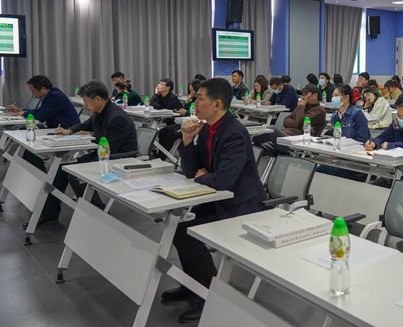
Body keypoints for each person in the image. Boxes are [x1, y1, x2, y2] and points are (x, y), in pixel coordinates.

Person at [162, 78, 267, 322]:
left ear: (217, 104)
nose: (194, 103)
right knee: (179, 229)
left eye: (200, 99)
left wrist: (204, 176)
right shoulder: (209, 129)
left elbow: (223, 180)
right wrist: (188, 140)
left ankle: (209, 295)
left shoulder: (234, 133)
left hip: (241, 206)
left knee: (188, 234)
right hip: (219, 200)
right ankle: (193, 286)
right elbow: (192, 171)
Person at [40, 81, 137, 224]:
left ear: (98, 99)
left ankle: (99, 214)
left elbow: (110, 147)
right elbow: (86, 125)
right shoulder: (100, 112)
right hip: (104, 154)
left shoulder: (117, 117)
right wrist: (69, 131)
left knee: (75, 174)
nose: (84, 105)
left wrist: (88, 140)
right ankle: (50, 213)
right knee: (61, 170)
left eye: (86, 101)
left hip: (118, 158)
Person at [7, 75, 80, 129]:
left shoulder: (54, 96)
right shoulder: (52, 94)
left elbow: (40, 116)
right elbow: (40, 111)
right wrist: (20, 110)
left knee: (23, 130)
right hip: (57, 128)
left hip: (67, 130)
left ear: (43, 89)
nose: (32, 94)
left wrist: (24, 113)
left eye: (33, 91)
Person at [158, 79, 204, 157]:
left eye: (193, 90)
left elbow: (197, 113)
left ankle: (163, 156)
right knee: (164, 131)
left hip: (194, 124)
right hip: (186, 121)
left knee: (171, 133)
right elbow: (186, 109)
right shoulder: (193, 99)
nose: (191, 93)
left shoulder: (201, 101)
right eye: (190, 91)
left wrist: (186, 112)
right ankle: (160, 154)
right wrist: (187, 101)